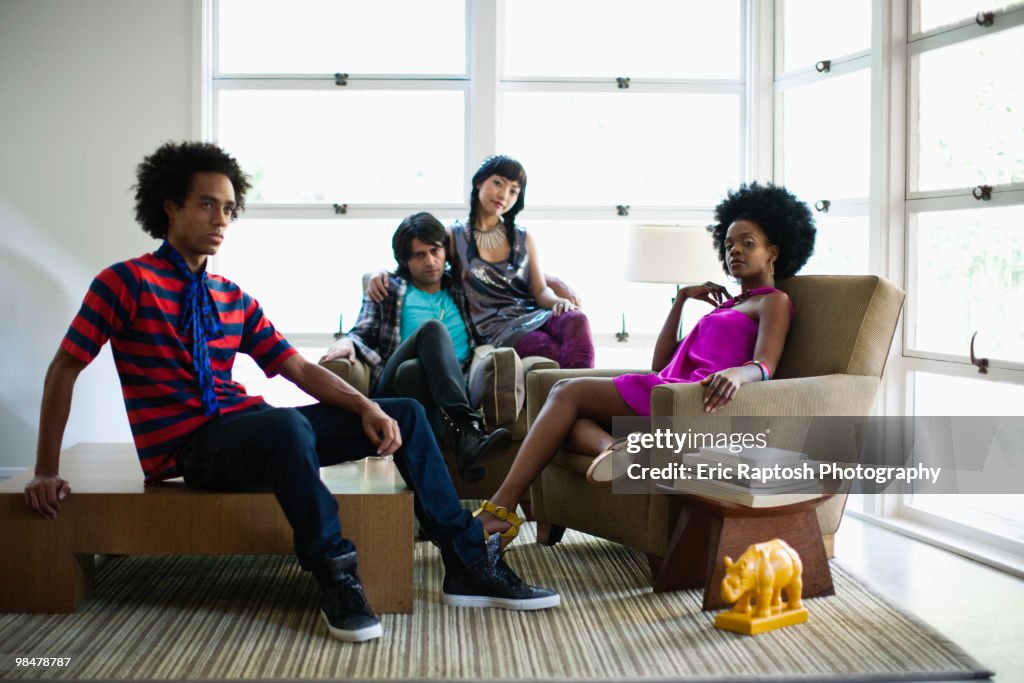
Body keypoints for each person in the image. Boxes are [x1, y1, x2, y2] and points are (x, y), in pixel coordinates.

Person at [23, 142, 559, 645]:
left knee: (407, 413)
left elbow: (297, 367)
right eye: (207, 204)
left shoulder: (231, 296)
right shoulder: (124, 283)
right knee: (285, 424)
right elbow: (64, 370)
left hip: (254, 430)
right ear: (168, 207)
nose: (220, 220)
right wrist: (46, 469)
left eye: (229, 208)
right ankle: (336, 574)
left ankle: (468, 565)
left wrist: (368, 407)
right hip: (191, 449)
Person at [469, 182, 817, 546]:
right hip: (667, 389)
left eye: (748, 243)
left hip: (692, 400)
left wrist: (737, 373)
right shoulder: (726, 307)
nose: (735, 251)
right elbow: (662, 362)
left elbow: (765, 365)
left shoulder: (772, 302)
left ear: (773, 251)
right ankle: (617, 450)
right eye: (729, 244)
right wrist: (681, 300)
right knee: (565, 420)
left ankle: (500, 509)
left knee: (564, 392)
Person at [320, 212, 511, 484]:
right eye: (419, 255)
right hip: (391, 385)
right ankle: (467, 431)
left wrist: (554, 286)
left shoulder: (463, 287)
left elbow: (513, 281)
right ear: (405, 261)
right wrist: (345, 340)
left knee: (415, 371)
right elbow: (362, 330)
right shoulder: (389, 289)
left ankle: (431, 475)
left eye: (435, 251)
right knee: (431, 330)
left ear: (445, 250)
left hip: (449, 383)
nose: (430, 261)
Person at [369, 155, 595, 369]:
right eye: (498, 183)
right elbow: (423, 259)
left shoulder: (523, 237)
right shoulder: (453, 237)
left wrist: (559, 302)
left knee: (577, 319)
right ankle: (577, 399)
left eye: (513, 191)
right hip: (497, 329)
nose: (504, 195)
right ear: (478, 182)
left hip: (533, 314)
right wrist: (380, 273)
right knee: (550, 349)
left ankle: (581, 400)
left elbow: (540, 290)